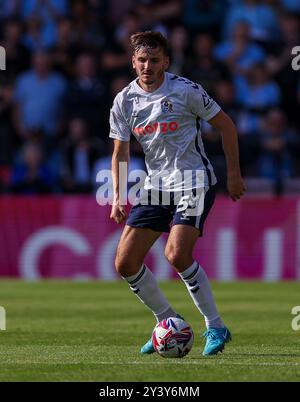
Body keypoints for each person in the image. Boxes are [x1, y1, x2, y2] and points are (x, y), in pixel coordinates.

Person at [109, 31, 246, 356]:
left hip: (193, 180)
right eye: (142, 60)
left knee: (176, 254)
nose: (147, 66)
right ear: (133, 62)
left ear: (166, 62)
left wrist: (234, 174)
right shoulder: (124, 100)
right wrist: (117, 195)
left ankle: (216, 326)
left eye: (154, 60)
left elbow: (226, 126)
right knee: (125, 263)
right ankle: (167, 321)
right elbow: (121, 152)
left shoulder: (185, 91)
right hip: (157, 186)